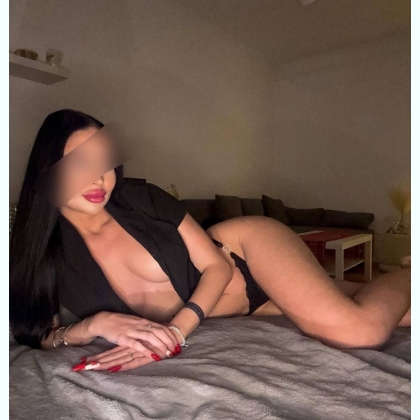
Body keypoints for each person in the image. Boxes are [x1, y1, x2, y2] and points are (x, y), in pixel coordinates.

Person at [10, 109, 411, 374]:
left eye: (104, 162)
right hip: (246, 308)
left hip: (246, 254)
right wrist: (94, 325)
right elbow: (35, 331)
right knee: (402, 313)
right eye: (79, 163)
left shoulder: (141, 197)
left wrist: (176, 333)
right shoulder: (46, 254)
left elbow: (217, 266)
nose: (99, 177)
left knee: (358, 331)